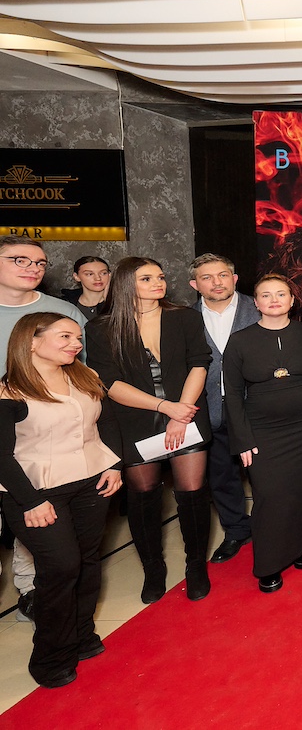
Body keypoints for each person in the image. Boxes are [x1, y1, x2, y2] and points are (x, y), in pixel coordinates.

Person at [0, 314, 120, 688]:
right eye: (65, 337)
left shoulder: (84, 377)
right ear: (31, 342)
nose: (75, 344)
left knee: (86, 560)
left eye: (78, 338)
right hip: (36, 492)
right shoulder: (10, 391)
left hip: (91, 481)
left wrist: (114, 463)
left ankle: (82, 637)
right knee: (62, 567)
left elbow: (107, 422)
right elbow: (1, 455)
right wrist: (30, 502)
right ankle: (50, 658)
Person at [85, 257, 214, 604]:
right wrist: (164, 408)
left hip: (186, 413)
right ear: (126, 284)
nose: (158, 283)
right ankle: (153, 568)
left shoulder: (184, 317)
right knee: (142, 495)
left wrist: (180, 413)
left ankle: (196, 566)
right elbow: (110, 383)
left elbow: (199, 364)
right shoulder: (101, 328)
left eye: (160, 276)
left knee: (192, 493)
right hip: (136, 420)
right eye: (146, 278)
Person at [222, 275, 302, 593]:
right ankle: (268, 563)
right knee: (270, 496)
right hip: (262, 431)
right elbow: (232, 395)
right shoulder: (239, 341)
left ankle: (300, 547)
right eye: (266, 295)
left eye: (280, 294)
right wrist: (242, 439)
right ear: (255, 302)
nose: (274, 300)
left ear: (292, 300)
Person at [0, 236, 86, 625]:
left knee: (33, 520)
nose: (33, 268)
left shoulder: (63, 312)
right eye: (20, 259)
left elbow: (83, 374)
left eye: (39, 262)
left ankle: (30, 592)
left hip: (40, 440)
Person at [189, 253, 256, 565]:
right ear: (195, 285)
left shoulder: (260, 308)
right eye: (207, 277)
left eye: (223, 275)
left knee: (266, 475)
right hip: (209, 410)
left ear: (235, 279)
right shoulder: (183, 318)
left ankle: (273, 528)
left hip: (256, 410)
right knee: (221, 476)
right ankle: (236, 530)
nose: (217, 282)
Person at [59, 256, 111, 322]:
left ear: (109, 275)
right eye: (89, 274)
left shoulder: (119, 303)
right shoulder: (65, 304)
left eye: (103, 273)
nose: (98, 278)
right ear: (76, 277)